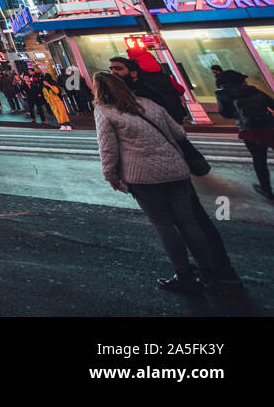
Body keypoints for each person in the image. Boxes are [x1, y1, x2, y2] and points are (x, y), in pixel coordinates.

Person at [93, 72, 238, 291]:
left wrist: (110, 176)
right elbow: (179, 132)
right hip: (176, 171)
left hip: (143, 176)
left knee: (164, 225)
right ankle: (209, 272)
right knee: (188, 222)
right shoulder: (148, 104)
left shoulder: (105, 111)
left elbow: (108, 149)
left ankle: (184, 275)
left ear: (99, 91)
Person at [216, 77, 274, 200]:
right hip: (269, 127)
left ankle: (266, 189)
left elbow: (224, 113)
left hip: (249, 130)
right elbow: (271, 104)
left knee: (259, 160)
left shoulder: (223, 94)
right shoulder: (253, 90)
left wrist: (238, 115)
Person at [109, 56, 186, 124]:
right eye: (111, 68)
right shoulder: (127, 88)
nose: (113, 72)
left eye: (118, 68)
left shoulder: (143, 90)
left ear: (133, 73)